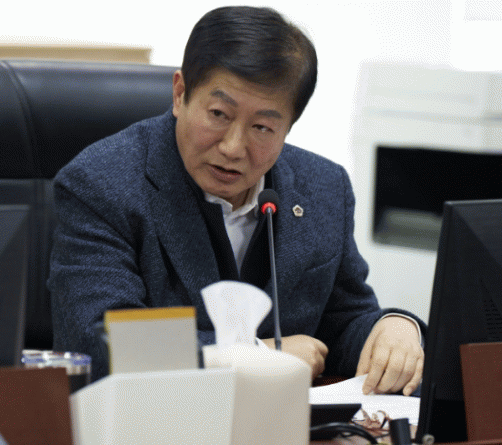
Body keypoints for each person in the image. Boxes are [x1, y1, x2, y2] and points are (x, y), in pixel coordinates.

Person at [48, 5, 425, 395]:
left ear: (289, 126)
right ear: (180, 94)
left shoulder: (324, 188)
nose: (233, 147)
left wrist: (393, 327)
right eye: (218, 114)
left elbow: (342, 323)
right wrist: (252, 356)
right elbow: (99, 342)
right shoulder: (101, 185)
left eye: (262, 127)